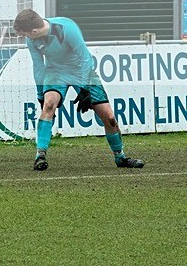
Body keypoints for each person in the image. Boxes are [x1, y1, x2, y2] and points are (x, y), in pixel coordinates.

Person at [13, 9, 144, 171]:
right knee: (48, 106)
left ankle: (120, 157)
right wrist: (41, 94)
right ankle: (40, 156)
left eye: (26, 34)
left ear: (34, 31)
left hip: (82, 70)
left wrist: (84, 88)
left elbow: (85, 58)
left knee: (109, 118)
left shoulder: (67, 28)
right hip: (56, 72)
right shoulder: (32, 41)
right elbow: (39, 67)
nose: (26, 38)